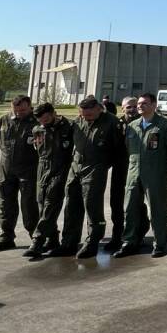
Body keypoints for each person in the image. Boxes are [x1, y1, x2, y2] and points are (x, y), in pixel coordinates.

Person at [55, 96, 123, 258]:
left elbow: (119, 150)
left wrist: (105, 165)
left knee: (92, 206)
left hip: (96, 168)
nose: (86, 118)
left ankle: (92, 242)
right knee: (71, 205)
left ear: (99, 109)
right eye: (84, 115)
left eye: (90, 115)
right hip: (76, 167)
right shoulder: (78, 121)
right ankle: (69, 242)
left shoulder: (112, 122)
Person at [114, 93, 167, 258]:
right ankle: (129, 242)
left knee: (157, 209)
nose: (140, 106)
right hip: (134, 172)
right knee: (130, 209)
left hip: (155, 173)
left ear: (154, 105)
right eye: (139, 104)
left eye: (144, 103)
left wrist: (159, 166)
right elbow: (130, 148)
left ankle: (159, 244)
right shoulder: (132, 126)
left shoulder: (164, 125)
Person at [0, 95, 38, 253]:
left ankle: (36, 238)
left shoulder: (37, 122)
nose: (19, 113)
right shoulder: (4, 120)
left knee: (30, 206)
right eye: (15, 110)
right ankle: (6, 237)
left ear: (30, 107)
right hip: (7, 170)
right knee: (5, 205)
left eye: (22, 110)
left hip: (29, 170)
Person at [22, 103, 74, 258]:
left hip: (61, 169)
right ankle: (52, 239)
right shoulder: (38, 129)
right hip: (43, 169)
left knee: (50, 205)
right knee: (41, 204)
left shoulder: (69, 127)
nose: (43, 123)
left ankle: (37, 241)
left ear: (53, 113)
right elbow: (38, 150)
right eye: (40, 120)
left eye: (45, 119)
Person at [107, 96, 140, 252]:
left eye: (134, 107)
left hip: (138, 170)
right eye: (128, 107)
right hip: (120, 169)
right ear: (123, 109)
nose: (132, 110)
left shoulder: (144, 123)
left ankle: (135, 236)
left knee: (136, 205)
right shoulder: (115, 125)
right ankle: (116, 237)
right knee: (117, 204)